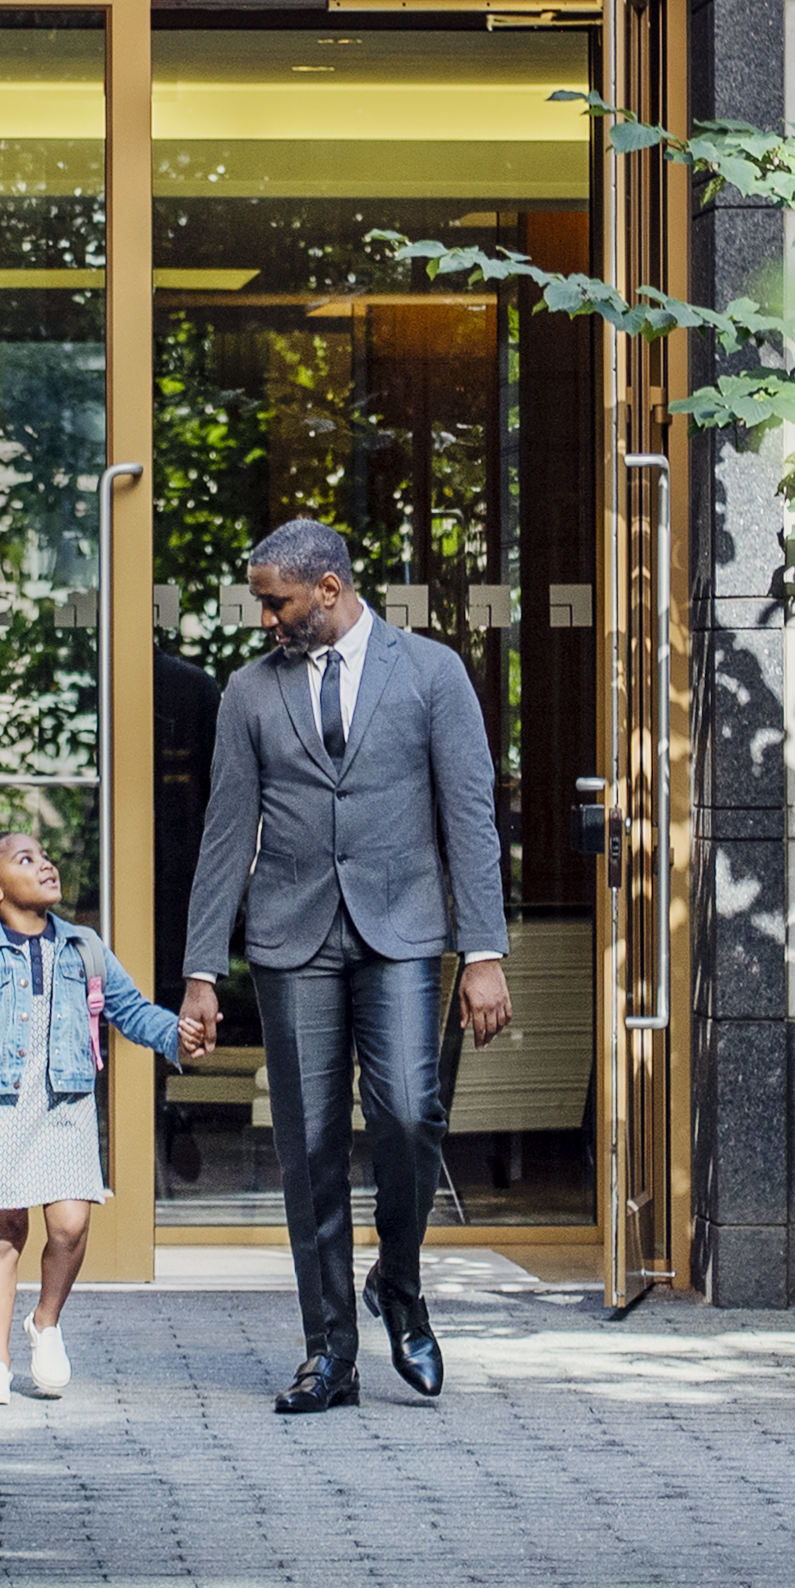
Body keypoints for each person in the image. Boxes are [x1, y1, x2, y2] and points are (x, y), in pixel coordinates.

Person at [175, 519, 510, 1415]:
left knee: (408, 1109)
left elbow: (469, 819)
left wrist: (483, 950)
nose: (265, 618)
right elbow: (223, 835)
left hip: (401, 929)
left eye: (275, 600)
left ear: (328, 590)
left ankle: (397, 1281)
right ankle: (330, 1353)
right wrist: (202, 968)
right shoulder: (248, 692)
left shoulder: (433, 673)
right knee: (309, 1145)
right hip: (293, 938)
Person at [0, 828, 181, 1403]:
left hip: (65, 1105)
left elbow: (130, 1012)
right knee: (3, 1233)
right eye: (25, 859)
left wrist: (177, 1036)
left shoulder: (85, 948)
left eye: (45, 856)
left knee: (71, 1225)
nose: (45, 865)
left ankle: (46, 1322)